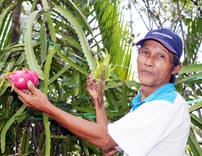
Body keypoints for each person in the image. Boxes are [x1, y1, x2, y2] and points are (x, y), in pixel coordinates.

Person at [14, 28, 191, 156]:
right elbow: (109, 148)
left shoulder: (166, 105)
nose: (149, 61)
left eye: (161, 56)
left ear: (176, 68)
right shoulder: (145, 103)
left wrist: (47, 107)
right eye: (145, 52)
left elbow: (106, 140)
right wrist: (98, 101)